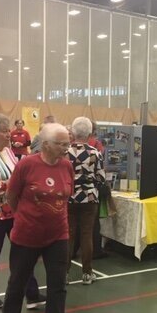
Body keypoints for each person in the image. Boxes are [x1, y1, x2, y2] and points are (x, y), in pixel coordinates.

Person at [1, 123, 78, 313]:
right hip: (27, 233)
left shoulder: (67, 166)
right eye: (61, 144)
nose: (66, 148)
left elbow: (67, 195)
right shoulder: (27, 164)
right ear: (46, 145)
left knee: (58, 285)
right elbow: (11, 196)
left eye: (67, 144)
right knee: (18, 280)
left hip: (58, 234)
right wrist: (24, 216)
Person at [0, 115, 45, 309]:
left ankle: (31, 294)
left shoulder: (8, 151)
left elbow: (18, 173)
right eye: (5, 131)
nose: (9, 134)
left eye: (8, 130)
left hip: (14, 211)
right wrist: (12, 184)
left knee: (24, 252)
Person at [66, 117, 106, 286]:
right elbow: (101, 178)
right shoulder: (95, 153)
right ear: (90, 133)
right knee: (86, 235)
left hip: (69, 197)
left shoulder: (65, 152)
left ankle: (64, 273)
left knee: (69, 234)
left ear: (72, 132)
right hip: (89, 198)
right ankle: (87, 273)